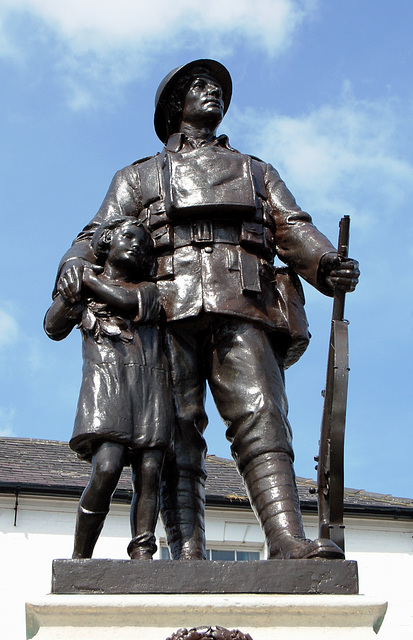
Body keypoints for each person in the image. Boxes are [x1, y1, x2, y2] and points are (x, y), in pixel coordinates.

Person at [54, 59, 359, 561]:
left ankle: (286, 539)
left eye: (217, 87)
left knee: (263, 416)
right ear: (176, 107)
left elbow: (293, 228)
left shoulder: (258, 171)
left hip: (245, 300)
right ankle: (187, 553)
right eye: (199, 86)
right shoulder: (138, 176)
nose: (212, 91)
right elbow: (95, 235)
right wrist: (72, 263)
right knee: (173, 430)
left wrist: (326, 263)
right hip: (165, 310)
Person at [45, 216, 174, 560]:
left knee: (149, 469)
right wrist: (70, 293)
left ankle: (143, 550)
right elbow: (52, 326)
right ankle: (81, 555)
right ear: (106, 241)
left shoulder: (148, 290)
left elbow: (129, 303)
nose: (136, 245)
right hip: (107, 383)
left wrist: (86, 277)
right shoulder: (85, 286)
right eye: (128, 237)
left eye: (143, 245)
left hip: (150, 383)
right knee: (107, 466)